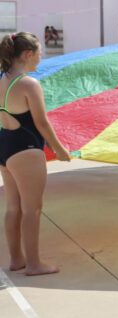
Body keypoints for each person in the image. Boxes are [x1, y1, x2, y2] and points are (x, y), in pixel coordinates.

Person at [0, 32, 71, 276]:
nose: (41, 58)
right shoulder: (29, 83)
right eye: (39, 53)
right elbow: (42, 123)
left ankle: (16, 259)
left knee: (13, 206)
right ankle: (33, 264)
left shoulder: (2, 79)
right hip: (26, 149)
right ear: (28, 54)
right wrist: (59, 149)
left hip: (5, 145)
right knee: (32, 208)